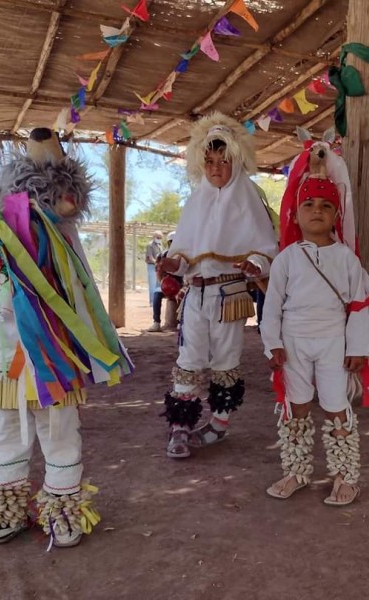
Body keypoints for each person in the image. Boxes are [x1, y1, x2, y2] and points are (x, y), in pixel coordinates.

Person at [0, 128, 132, 547]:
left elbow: (82, 298)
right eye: (53, 193)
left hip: (57, 360)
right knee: (10, 429)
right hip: (10, 359)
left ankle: (62, 508)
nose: (62, 202)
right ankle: (5, 507)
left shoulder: (66, 240)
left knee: (60, 429)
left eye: (66, 195)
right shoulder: (0, 235)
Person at [158, 112, 278, 459]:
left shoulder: (250, 199)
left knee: (226, 359)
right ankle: (180, 426)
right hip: (195, 293)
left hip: (231, 294)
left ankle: (219, 424)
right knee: (188, 358)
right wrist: (171, 263)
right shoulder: (195, 201)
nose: (215, 169)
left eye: (223, 161)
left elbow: (266, 251)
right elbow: (183, 255)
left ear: (236, 162)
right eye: (209, 162)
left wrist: (253, 264)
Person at [262, 176, 369, 506]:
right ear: (295, 214)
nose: (317, 211)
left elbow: (360, 304)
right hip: (292, 343)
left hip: (334, 341)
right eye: (308, 205)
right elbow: (272, 306)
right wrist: (272, 343)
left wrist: (358, 347)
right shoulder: (286, 259)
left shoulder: (346, 259)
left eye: (325, 206)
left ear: (335, 216)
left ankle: (345, 476)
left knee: (336, 407)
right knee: (296, 406)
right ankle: (296, 471)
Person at [146, 231, 181, 332]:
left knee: (184, 295)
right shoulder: (162, 255)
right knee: (157, 294)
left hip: (180, 284)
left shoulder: (183, 255)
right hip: (168, 285)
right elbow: (159, 273)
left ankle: (180, 322)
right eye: (171, 242)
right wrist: (164, 284)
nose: (173, 244)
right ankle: (156, 322)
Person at [145, 230, 164, 303]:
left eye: (160, 237)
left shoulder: (160, 245)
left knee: (158, 285)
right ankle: (152, 302)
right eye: (158, 237)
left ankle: (156, 302)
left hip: (158, 267)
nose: (159, 239)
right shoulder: (150, 245)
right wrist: (157, 263)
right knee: (152, 284)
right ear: (154, 237)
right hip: (152, 266)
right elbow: (150, 257)